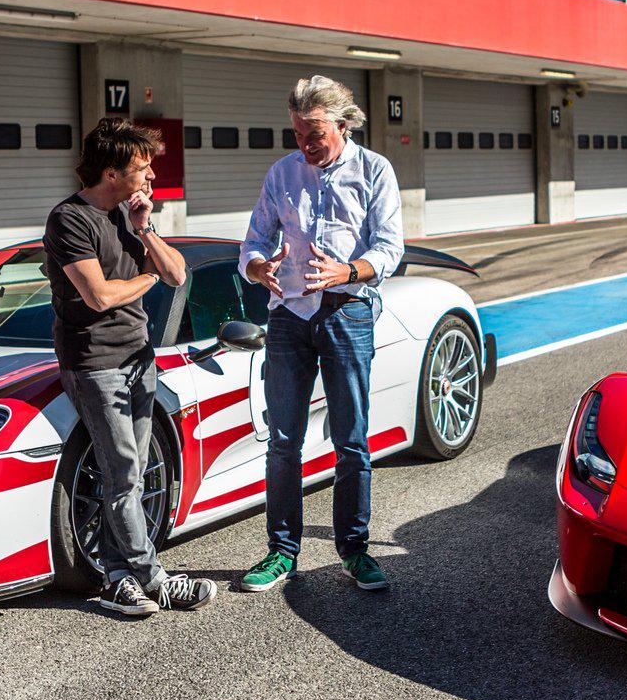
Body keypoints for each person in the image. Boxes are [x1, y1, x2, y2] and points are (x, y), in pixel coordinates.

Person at [234, 75, 404, 593]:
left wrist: (347, 272)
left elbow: (390, 249)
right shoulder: (282, 173)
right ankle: (281, 551)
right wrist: (259, 267)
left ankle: (355, 550)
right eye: (298, 133)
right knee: (283, 441)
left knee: (351, 440)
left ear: (343, 124)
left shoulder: (375, 170)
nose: (305, 144)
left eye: (315, 133)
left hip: (347, 313)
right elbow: (254, 240)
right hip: (288, 317)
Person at [44, 117, 216, 616]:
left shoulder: (127, 216)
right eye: (141, 168)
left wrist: (145, 230)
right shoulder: (70, 219)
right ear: (112, 172)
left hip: (139, 357)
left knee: (133, 472)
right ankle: (154, 577)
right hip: (94, 362)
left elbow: (178, 274)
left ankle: (118, 578)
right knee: (121, 471)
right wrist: (147, 278)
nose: (149, 178)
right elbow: (98, 297)